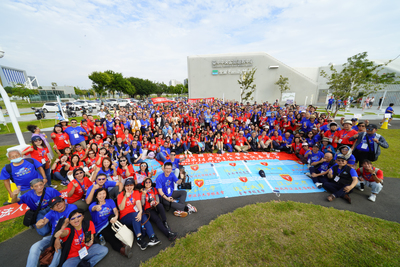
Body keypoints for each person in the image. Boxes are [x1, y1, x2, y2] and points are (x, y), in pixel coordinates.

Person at [26, 196, 77, 267]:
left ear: (64, 201)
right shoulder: (51, 213)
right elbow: (44, 221)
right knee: (35, 247)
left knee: (56, 256)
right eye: (55, 205)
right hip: (53, 237)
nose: (58, 206)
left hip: (67, 236)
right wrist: (39, 224)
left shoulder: (72, 207)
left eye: (60, 202)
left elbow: (67, 221)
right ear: (51, 208)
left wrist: (58, 238)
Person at [117, 178, 160, 250]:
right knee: (135, 215)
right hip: (125, 217)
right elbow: (121, 208)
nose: (129, 187)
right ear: (124, 186)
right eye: (127, 185)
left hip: (135, 213)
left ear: (134, 186)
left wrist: (140, 211)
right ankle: (139, 239)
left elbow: (138, 202)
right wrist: (125, 197)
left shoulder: (135, 192)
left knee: (142, 214)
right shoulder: (121, 195)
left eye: (131, 185)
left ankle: (153, 237)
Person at [89, 188, 132, 258]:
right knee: (110, 236)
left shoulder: (110, 201)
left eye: (104, 193)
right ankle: (123, 250)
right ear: (96, 196)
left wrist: (116, 216)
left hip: (111, 221)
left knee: (118, 230)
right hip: (101, 226)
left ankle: (124, 242)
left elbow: (115, 210)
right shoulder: (93, 205)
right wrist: (96, 207)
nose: (102, 195)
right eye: (99, 194)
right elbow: (93, 208)